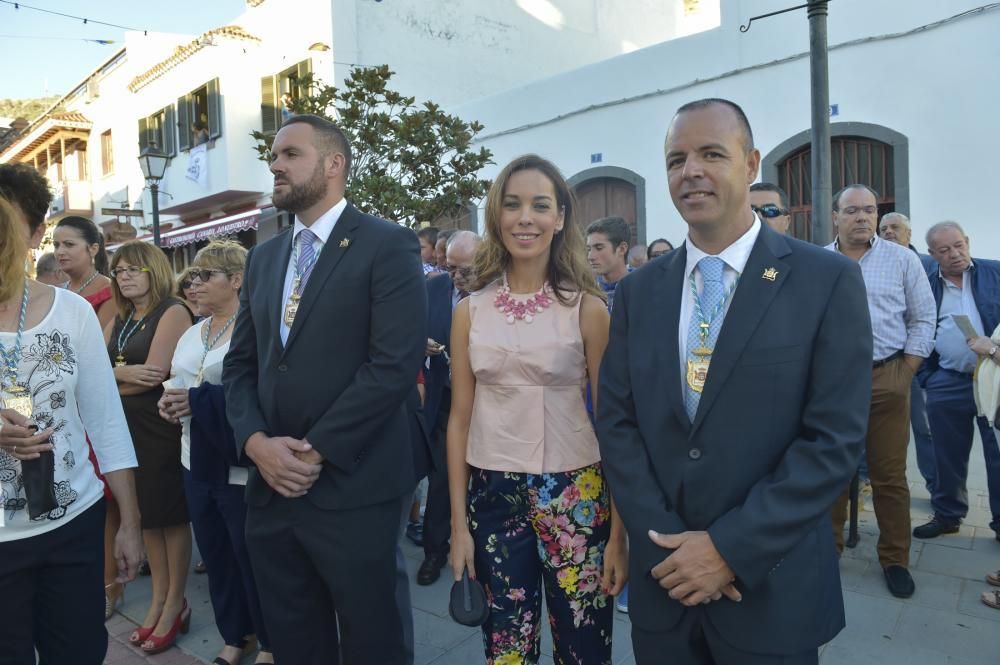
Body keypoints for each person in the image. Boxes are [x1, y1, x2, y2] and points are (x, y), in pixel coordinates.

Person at [598, 98, 872, 665]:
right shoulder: (641, 292)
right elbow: (619, 426)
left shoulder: (826, 280)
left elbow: (834, 441)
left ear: (749, 164)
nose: (690, 170)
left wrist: (728, 549)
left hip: (769, 591)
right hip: (665, 587)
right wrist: (667, 550)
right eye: (676, 158)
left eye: (710, 153)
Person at [223, 113, 427, 665]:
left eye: (290, 154)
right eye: (273, 157)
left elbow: (392, 365)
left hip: (353, 484)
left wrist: (315, 451)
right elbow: (240, 366)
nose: (275, 165)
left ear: (334, 164)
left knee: (372, 639)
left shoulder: (388, 244)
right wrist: (257, 445)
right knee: (294, 639)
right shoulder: (264, 258)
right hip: (270, 486)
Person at [448, 154, 628, 663]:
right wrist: (459, 527)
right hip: (492, 492)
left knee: (584, 644)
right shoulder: (469, 312)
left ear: (560, 218)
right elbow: (458, 420)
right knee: (505, 646)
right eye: (513, 205)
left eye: (539, 205)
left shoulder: (588, 309)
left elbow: (615, 423)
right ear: (496, 217)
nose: (525, 217)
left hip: (576, 491)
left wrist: (621, 531)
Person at [0, 193, 143, 664]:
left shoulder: (73, 312)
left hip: (74, 521)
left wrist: (130, 523)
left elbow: (105, 421)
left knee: (79, 652)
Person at [157, 241, 273, 665]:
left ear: (237, 280)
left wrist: (200, 400)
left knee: (250, 556)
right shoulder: (193, 330)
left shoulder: (256, 326)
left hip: (238, 465)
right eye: (193, 275)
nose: (194, 282)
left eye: (206, 275)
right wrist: (168, 401)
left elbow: (261, 392)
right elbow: (176, 380)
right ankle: (234, 634)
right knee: (216, 552)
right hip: (195, 459)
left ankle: (271, 640)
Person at [826, 184, 936, 599]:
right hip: (832, 383)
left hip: (887, 376)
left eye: (869, 210)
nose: (862, 217)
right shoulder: (818, 261)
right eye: (852, 210)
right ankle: (827, 551)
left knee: (890, 476)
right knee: (832, 470)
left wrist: (906, 370)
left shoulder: (901, 259)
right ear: (835, 215)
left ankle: (894, 558)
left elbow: (925, 317)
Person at [106, 241, 195, 653]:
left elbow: (154, 377)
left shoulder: (172, 310)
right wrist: (122, 371)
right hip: (127, 429)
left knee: (169, 517)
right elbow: (90, 374)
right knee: (146, 520)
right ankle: (158, 599)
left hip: (158, 429)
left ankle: (175, 601)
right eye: (119, 270)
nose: (124, 276)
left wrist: (110, 380)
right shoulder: (122, 317)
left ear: (153, 271)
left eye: (133, 269)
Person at [53, 215, 124, 618]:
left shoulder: (106, 292)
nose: (61, 252)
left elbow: (90, 357)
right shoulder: (61, 293)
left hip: (96, 408)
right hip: (67, 413)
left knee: (107, 499)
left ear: (93, 249)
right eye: (57, 245)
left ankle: (110, 586)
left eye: (70, 245)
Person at [913, 221, 1000, 541]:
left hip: (994, 380)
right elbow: (916, 326)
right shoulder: (926, 283)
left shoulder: (995, 273)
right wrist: (928, 377)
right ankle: (948, 515)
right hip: (947, 380)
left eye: (959, 245)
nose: (955, 254)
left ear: (968, 242)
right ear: (932, 254)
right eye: (945, 250)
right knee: (947, 454)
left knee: (997, 455)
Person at [418, 230, 481, 586]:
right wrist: (420, 344)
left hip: (487, 405)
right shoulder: (433, 288)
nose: (456, 277)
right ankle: (434, 551)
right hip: (443, 404)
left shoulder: (495, 293)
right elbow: (409, 329)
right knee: (442, 479)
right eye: (451, 267)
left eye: (465, 271)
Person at [878, 212, 937, 494]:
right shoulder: (873, 263)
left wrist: (911, 366)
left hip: (919, 365)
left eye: (895, 227)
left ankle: (937, 488)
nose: (889, 232)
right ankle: (866, 479)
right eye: (884, 228)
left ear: (909, 234)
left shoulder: (927, 265)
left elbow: (927, 314)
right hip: (885, 365)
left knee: (924, 429)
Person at [587, 216, 632, 311]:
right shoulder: (587, 290)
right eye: (589, 249)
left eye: (599, 248)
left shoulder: (642, 286)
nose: (590, 257)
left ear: (622, 249)